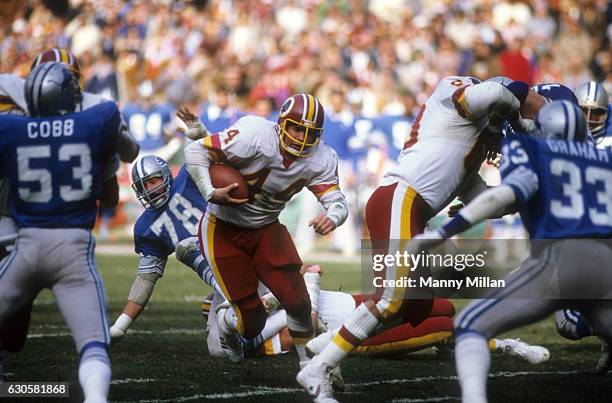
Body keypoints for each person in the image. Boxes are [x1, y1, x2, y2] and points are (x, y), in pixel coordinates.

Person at [298, 76, 537, 401]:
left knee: (416, 307)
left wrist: (528, 193)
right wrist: (512, 125)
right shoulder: (453, 95)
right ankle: (318, 368)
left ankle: (323, 345)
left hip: (409, 210)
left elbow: (482, 197)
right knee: (392, 298)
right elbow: (500, 92)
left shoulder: (466, 142)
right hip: (399, 198)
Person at [412, 100, 612, 402]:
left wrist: (442, 233)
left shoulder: (534, 150)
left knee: (469, 326)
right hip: (605, 263)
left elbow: (505, 196)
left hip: (560, 258)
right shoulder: (603, 157)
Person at [184, 93, 349, 368]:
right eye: (297, 128)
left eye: (310, 132)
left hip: (266, 228)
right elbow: (195, 150)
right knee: (251, 323)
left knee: (298, 302)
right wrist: (210, 192)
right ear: (282, 123)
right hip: (223, 229)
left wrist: (332, 217)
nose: (302, 137)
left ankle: (308, 368)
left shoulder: (321, 158)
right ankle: (227, 327)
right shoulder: (253, 135)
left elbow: (337, 200)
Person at [0, 62, 123, 402]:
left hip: (25, 245)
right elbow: (111, 118)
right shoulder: (95, 121)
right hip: (74, 248)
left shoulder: (9, 128)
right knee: (93, 344)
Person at [109, 155, 220, 339]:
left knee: (187, 247)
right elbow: (146, 278)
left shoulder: (189, 176)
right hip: (216, 272)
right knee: (219, 347)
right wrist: (120, 325)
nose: (150, 189)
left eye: (154, 181)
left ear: (167, 175)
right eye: (144, 185)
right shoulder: (146, 228)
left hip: (236, 251)